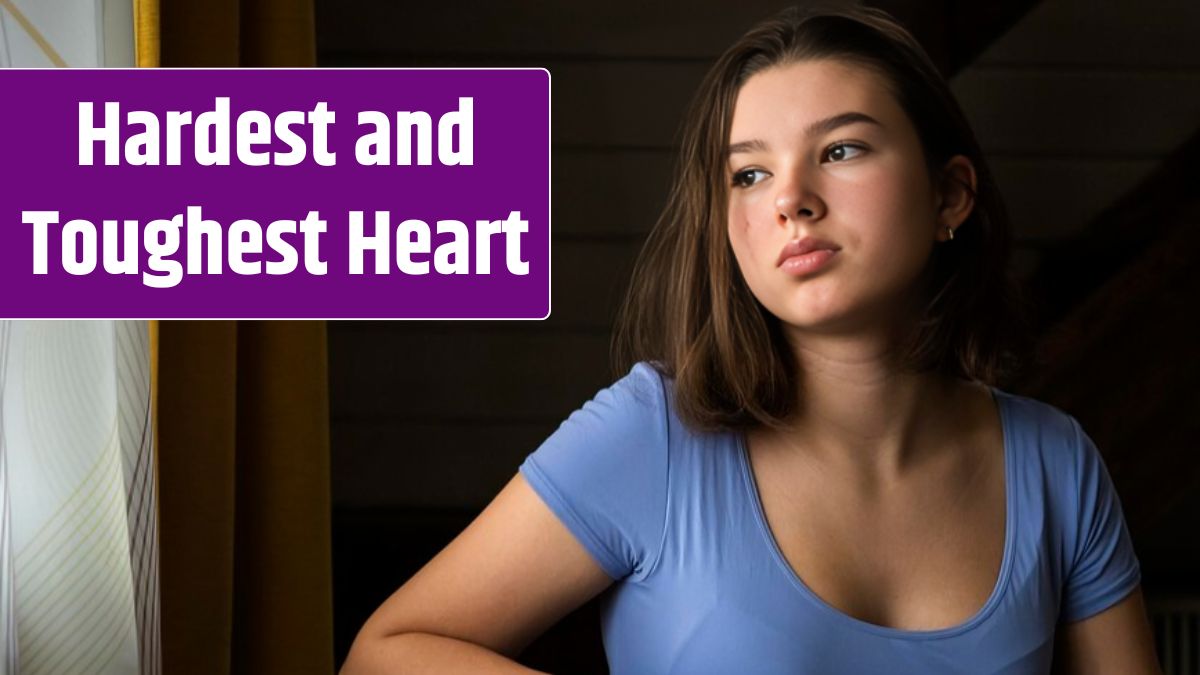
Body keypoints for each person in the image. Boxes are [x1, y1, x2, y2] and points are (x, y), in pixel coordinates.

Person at [340, 6, 1162, 674]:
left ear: (950, 194)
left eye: (840, 150)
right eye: (750, 173)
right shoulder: (651, 434)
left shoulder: (1057, 464)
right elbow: (387, 653)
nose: (791, 200)